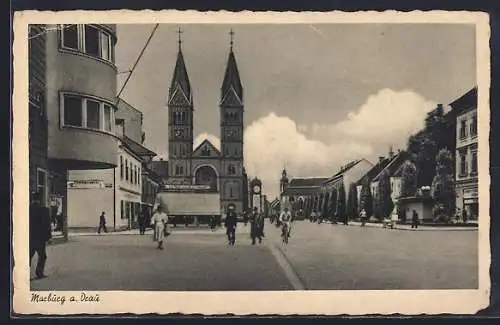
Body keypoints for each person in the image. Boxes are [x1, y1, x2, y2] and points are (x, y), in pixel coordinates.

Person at [30, 191, 52, 279]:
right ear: (40, 200)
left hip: (29, 237)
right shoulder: (44, 209)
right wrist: (48, 237)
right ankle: (39, 273)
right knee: (42, 256)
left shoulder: (28, 209)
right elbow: (46, 225)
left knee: (28, 256)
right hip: (40, 238)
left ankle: (24, 274)